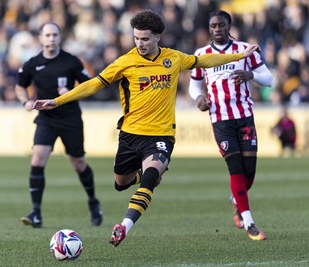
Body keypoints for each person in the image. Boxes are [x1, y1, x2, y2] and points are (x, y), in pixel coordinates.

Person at [32, 10, 259, 246]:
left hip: (161, 135)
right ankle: (142, 172)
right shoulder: (125, 62)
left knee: (151, 177)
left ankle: (124, 226)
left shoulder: (173, 58)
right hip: (130, 135)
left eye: (145, 39)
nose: (139, 43)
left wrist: (238, 56)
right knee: (120, 184)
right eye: (136, 38)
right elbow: (92, 85)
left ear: (158, 37)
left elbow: (204, 61)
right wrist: (57, 100)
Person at [188, 10, 274, 241]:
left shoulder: (245, 50)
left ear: (229, 25)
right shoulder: (201, 54)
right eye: (213, 26)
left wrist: (251, 76)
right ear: (209, 28)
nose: (217, 29)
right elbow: (194, 85)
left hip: (245, 115)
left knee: (249, 172)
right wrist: (199, 100)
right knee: (235, 168)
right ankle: (249, 222)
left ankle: (236, 200)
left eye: (221, 25)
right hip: (220, 118)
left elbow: (269, 79)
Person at [15, 22, 103, 228]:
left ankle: (93, 203)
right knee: (37, 158)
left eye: (55, 35)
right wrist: (25, 101)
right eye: (47, 35)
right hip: (46, 119)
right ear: (41, 38)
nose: (51, 38)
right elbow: (20, 86)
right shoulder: (32, 63)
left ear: (59, 37)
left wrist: (72, 93)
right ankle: (36, 213)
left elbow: (90, 84)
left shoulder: (71, 62)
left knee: (78, 163)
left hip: (70, 118)